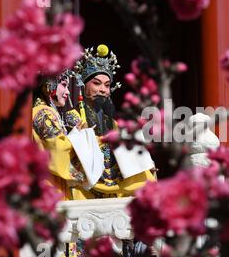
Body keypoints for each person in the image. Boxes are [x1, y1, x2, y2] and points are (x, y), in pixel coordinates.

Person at [65, 45, 156, 200]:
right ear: (83, 85)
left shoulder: (112, 122)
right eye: (97, 83)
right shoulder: (73, 118)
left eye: (107, 85)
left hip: (117, 182)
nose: (103, 90)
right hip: (87, 184)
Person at [32, 71, 87, 199]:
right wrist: (80, 138)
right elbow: (58, 149)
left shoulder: (44, 112)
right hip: (50, 186)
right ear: (49, 85)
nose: (67, 92)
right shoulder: (43, 113)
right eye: (64, 85)